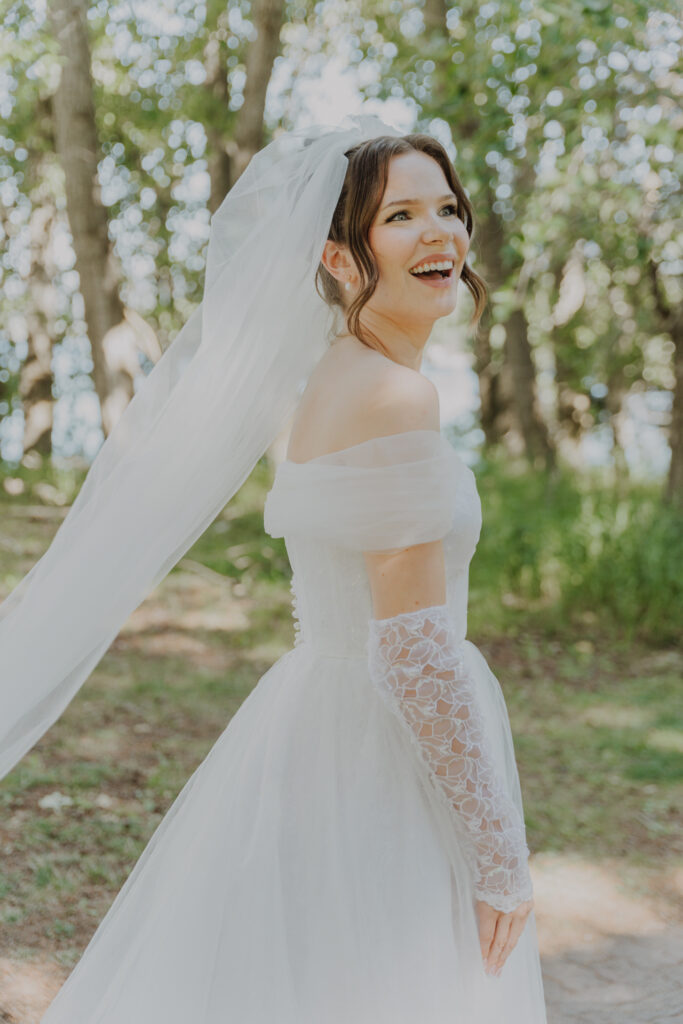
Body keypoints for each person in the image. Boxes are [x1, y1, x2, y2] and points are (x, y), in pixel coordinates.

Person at [2, 115, 547, 1022]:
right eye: (400, 216)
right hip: (380, 750)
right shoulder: (393, 394)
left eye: (446, 209)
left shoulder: (336, 377)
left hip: (319, 724)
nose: (438, 233)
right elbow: (411, 652)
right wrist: (500, 858)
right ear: (339, 259)